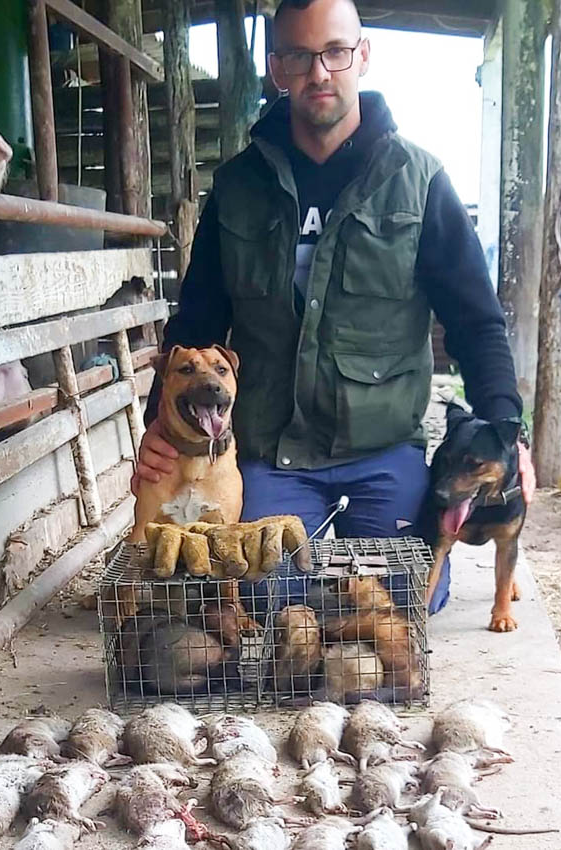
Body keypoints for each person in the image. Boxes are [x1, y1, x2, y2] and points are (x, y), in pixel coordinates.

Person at [134, 0, 535, 614]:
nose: (319, 72)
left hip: (381, 453)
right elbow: (195, 325)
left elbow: (476, 323)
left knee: (405, 596)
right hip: (273, 453)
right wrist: (157, 430)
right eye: (299, 55)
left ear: (362, 57)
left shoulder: (420, 181)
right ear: (277, 68)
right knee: (265, 593)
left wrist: (511, 435)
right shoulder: (238, 188)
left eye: (335, 53)